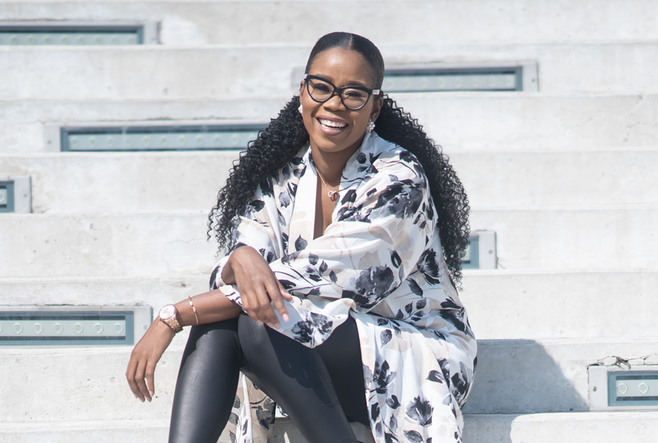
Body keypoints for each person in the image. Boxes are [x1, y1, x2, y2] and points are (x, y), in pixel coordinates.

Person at [126, 32, 476, 443]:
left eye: (353, 94)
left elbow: (312, 279)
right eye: (322, 87)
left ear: (375, 106)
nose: (334, 104)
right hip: (310, 345)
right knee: (222, 324)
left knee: (258, 321)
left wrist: (173, 315)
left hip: (409, 353)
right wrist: (239, 257)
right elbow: (244, 275)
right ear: (302, 92)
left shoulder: (398, 180)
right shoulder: (283, 174)